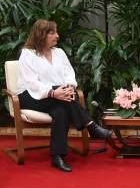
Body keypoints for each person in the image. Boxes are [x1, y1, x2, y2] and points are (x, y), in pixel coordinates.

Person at [17, 19, 112, 172]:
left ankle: (57, 157)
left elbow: (69, 75)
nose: (57, 36)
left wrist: (67, 88)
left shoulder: (59, 53)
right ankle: (91, 126)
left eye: (56, 32)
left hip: (58, 97)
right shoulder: (28, 54)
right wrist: (54, 92)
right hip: (30, 96)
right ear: (41, 35)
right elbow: (32, 83)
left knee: (61, 111)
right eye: (52, 33)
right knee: (66, 99)